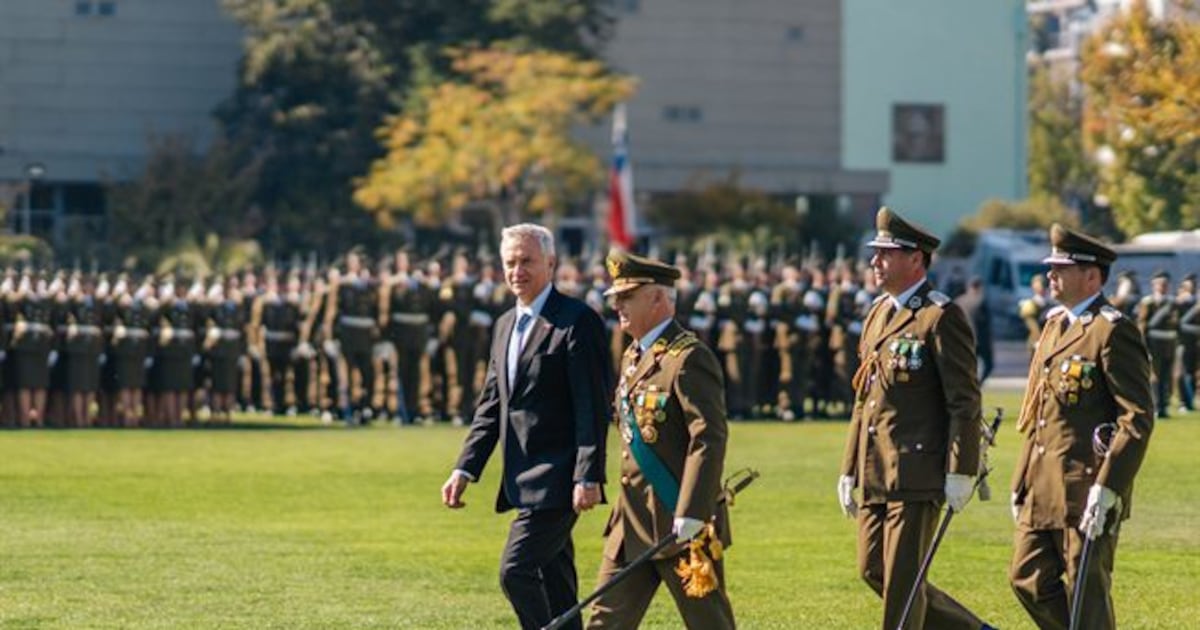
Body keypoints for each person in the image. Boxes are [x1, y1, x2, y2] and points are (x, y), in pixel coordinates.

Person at [440, 223, 613, 630]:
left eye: (527, 262)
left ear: (550, 264)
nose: (517, 271)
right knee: (557, 586)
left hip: (560, 477)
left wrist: (588, 475)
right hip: (521, 475)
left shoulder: (576, 321)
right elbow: (492, 406)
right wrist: (465, 469)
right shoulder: (504, 325)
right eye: (510, 263)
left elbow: (591, 405)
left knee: (514, 572)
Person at [838, 207, 992, 630]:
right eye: (875, 253)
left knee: (903, 585)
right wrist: (849, 467)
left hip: (916, 469)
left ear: (916, 259)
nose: (875, 261)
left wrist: (961, 470)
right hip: (874, 468)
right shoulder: (877, 315)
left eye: (886, 253)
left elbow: (964, 401)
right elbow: (863, 400)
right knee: (874, 571)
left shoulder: (940, 317)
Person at [1009, 224, 1154, 630]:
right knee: (1026, 577)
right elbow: (1038, 414)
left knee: (1086, 592)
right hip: (1043, 483)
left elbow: (1137, 418)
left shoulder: (1111, 330)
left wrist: (1108, 488)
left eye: (1061, 267)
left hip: (1086, 484)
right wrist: (1021, 482)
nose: (1050, 274)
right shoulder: (1055, 325)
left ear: (1091, 275)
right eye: (1051, 266)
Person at [585, 250, 735, 629]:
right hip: (631, 521)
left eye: (627, 297)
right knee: (604, 622)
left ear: (657, 298)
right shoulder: (634, 355)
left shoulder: (687, 357)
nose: (617, 305)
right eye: (616, 298)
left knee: (709, 623)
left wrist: (693, 510)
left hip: (677, 519)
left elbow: (709, 437)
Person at [1136, 269, 1177, 418]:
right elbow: (1142, 325)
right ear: (1154, 285)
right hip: (1154, 344)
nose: (1163, 287)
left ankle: (1164, 406)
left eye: (1165, 284)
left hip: (1169, 344)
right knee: (1155, 377)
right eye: (1160, 284)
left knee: (1166, 376)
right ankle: (1156, 406)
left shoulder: (1172, 302)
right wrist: (1144, 346)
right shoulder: (1148, 302)